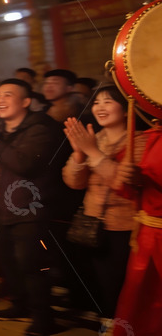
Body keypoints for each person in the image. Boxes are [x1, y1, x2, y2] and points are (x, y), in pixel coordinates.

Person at [0, 78, 65, 336]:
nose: (0, 99)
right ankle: (20, 305)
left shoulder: (41, 128)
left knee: (32, 265)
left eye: (8, 95)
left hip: (31, 208)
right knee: (8, 262)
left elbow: (25, 164)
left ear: (25, 101)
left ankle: (45, 319)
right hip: (1, 206)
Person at [62, 85, 139, 321]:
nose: (100, 107)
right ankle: (107, 322)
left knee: (122, 283)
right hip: (93, 222)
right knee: (100, 281)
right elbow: (74, 182)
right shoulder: (93, 138)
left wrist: (94, 153)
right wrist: (79, 155)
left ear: (126, 109)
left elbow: (125, 185)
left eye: (108, 102)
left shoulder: (140, 141)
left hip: (126, 226)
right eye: (96, 102)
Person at [111, 126, 160, 336]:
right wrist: (130, 179)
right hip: (147, 235)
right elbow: (132, 190)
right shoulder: (152, 137)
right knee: (139, 303)